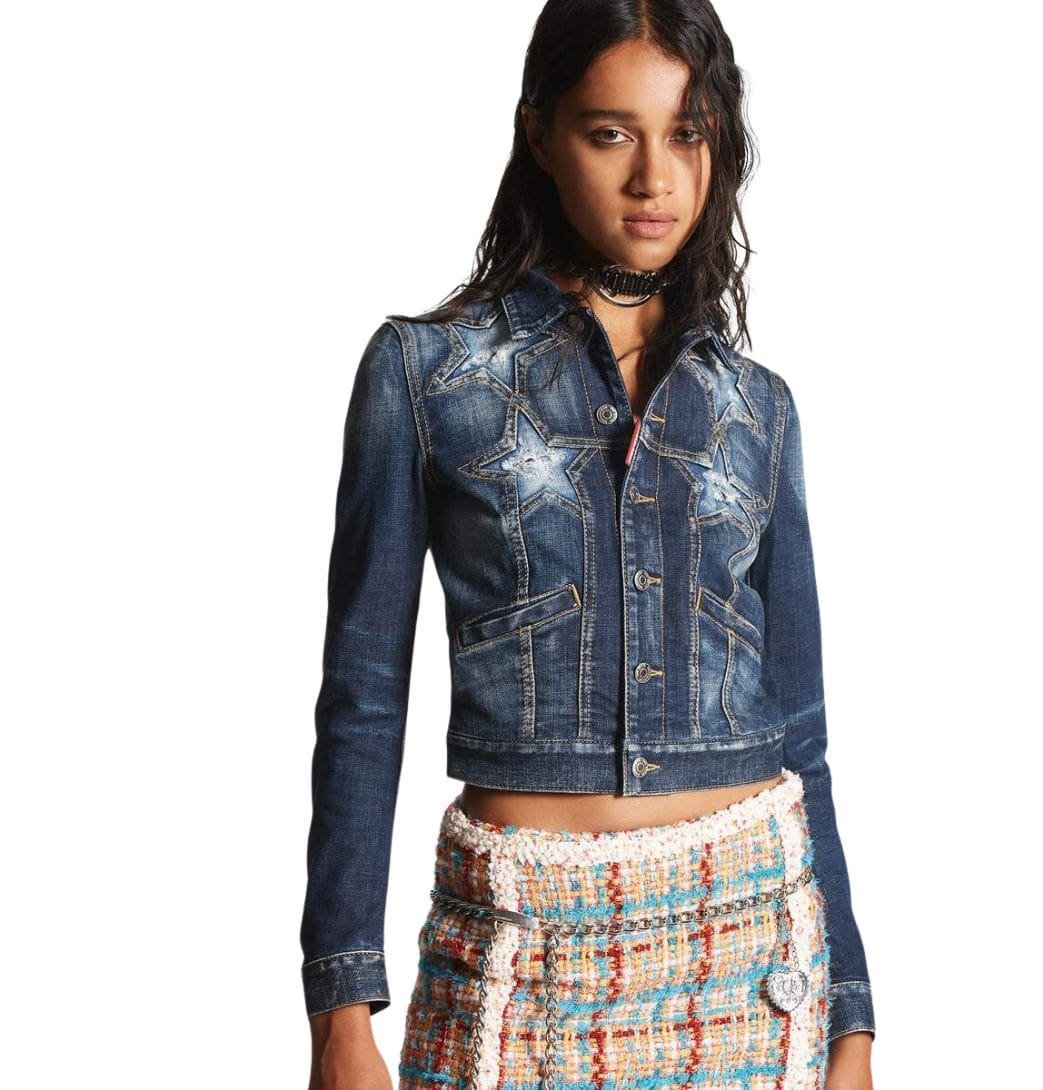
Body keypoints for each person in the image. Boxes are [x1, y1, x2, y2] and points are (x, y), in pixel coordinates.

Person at [302, 3, 876, 1088]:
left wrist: (851, 1017)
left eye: (687, 133)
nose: (654, 177)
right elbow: (364, 701)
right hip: (518, 956)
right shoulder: (423, 375)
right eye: (611, 133)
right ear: (539, 132)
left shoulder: (757, 407)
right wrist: (340, 1007)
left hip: (753, 959)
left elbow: (802, 730)